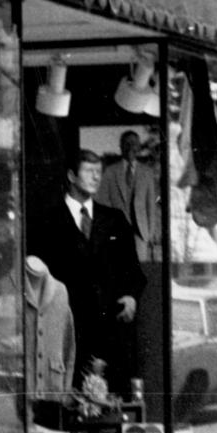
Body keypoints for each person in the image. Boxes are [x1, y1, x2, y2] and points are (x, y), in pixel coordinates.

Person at [29, 148, 145, 395]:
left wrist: (131, 296)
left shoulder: (115, 220)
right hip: (66, 328)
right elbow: (35, 276)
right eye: (89, 171)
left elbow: (133, 272)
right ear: (71, 176)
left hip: (110, 329)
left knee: (110, 401)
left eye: (99, 172)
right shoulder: (46, 221)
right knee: (68, 397)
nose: (96, 177)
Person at [101, 130, 161, 263]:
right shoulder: (111, 171)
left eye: (134, 144)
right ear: (121, 146)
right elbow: (104, 203)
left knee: (140, 270)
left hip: (140, 233)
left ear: (138, 147)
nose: (130, 147)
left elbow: (150, 205)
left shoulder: (147, 172)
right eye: (126, 143)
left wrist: (150, 233)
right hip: (116, 232)